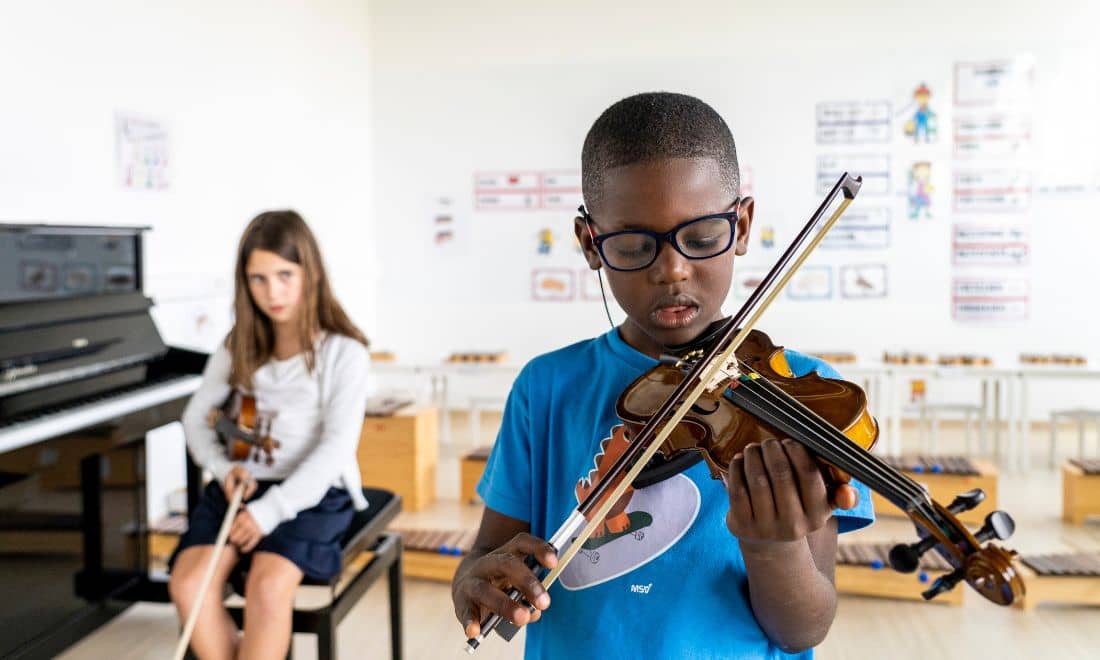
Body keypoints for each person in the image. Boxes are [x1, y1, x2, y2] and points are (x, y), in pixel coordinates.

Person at [451, 92, 875, 658]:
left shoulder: (809, 395)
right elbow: (486, 553)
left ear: (742, 225)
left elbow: (802, 629)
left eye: (700, 238)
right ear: (590, 244)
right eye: (632, 245)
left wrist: (771, 546)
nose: (672, 269)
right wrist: (474, 580)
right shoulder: (545, 388)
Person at [169, 210, 370, 659]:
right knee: (188, 583)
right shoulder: (237, 343)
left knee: (267, 586)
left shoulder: (344, 352)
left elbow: (335, 449)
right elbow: (194, 417)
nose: (272, 292)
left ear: (310, 272)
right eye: (257, 279)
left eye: (284, 275)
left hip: (313, 493)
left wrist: (269, 512)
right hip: (241, 484)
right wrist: (223, 469)